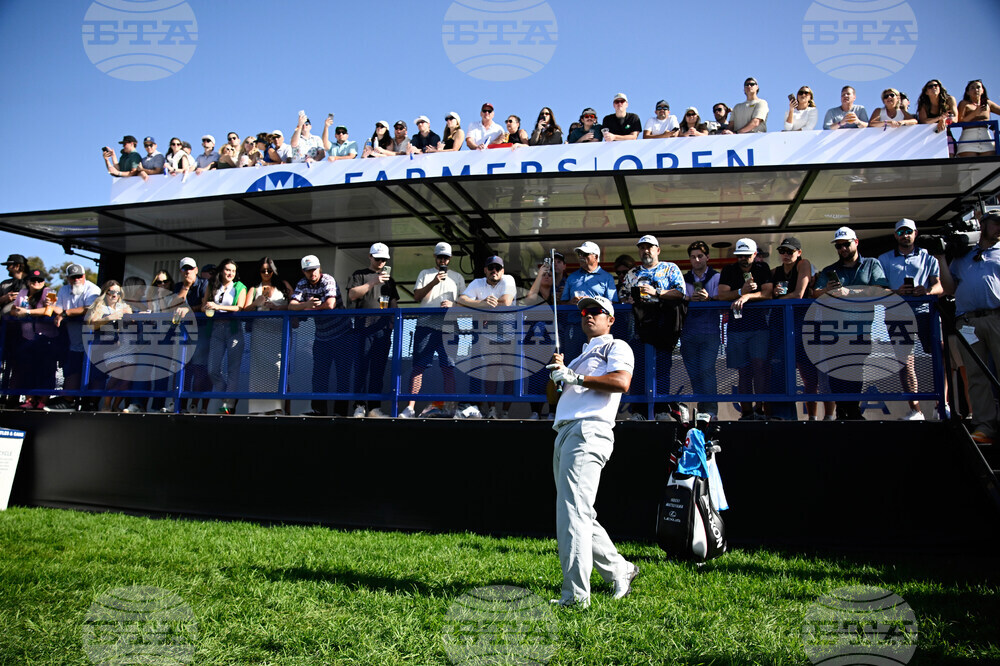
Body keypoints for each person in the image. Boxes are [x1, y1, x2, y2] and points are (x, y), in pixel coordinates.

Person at [546, 295, 638, 608]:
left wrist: (578, 377)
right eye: (585, 311)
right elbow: (554, 398)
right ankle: (620, 569)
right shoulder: (576, 358)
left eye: (596, 311)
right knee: (579, 512)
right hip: (565, 431)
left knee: (572, 513)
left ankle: (575, 597)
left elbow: (622, 381)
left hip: (589, 431)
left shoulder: (617, 347)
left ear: (610, 319)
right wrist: (557, 372)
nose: (589, 315)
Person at [813, 227, 891, 420]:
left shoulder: (872, 264)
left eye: (845, 244)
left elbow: (880, 290)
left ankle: (852, 409)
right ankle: (844, 410)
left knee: (855, 369)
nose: (842, 249)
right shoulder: (830, 270)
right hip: (833, 328)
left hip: (860, 328)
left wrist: (851, 293)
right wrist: (827, 291)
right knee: (836, 371)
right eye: (838, 246)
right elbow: (814, 294)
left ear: (856, 242)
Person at [937, 210, 1000, 443]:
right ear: (983, 225)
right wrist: (941, 258)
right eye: (996, 224)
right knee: (975, 374)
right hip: (968, 321)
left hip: (996, 317)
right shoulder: (963, 256)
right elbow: (949, 288)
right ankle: (985, 426)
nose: (999, 229)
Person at [877, 219, 943, 421]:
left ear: (915, 233)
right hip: (897, 314)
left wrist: (926, 291)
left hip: (925, 312)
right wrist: (897, 291)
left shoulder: (928, 257)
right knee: (905, 362)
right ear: (895, 235)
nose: (905, 235)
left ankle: (943, 405)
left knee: (939, 357)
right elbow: (878, 290)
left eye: (908, 231)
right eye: (901, 232)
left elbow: (940, 287)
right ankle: (916, 410)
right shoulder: (884, 259)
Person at [621, 235, 685, 420]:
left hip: (663, 329)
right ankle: (639, 412)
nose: (645, 251)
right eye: (642, 248)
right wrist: (629, 300)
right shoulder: (632, 273)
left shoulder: (670, 268)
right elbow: (622, 296)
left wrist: (657, 292)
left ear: (658, 250)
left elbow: (680, 292)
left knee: (662, 370)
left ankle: (661, 409)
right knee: (638, 370)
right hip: (638, 331)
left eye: (649, 247)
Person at [401, 242, 466, 419]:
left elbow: (465, 301)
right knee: (419, 367)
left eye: (446, 257)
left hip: (450, 327)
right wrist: (434, 281)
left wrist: (453, 305)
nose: (443, 260)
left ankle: (450, 409)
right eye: (440, 257)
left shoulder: (458, 277)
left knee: (448, 368)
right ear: (435, 257)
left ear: (450, 258)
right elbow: (417, 296)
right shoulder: (425, 273)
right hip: (426, 325)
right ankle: (410, 407)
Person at [717, 238, 773, 420]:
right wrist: (741, 292)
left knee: (760, 367)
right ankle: (747, 412)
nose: (743, 259)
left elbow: (767, 293)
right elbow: (722, 295)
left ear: (755, 255)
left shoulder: (762, 268)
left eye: (747, 255)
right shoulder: (729, 270)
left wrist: (747, 296)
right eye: (740, 255)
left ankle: (761, 408)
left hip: (759, 327)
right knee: (743, 370)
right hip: (736, 327)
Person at [458, 255, 517, 418]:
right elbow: (460, 300)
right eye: (491, 268)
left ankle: (505, 412)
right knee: (491, 371)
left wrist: (481, 307)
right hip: (488, 335)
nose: (494, 271)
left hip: (510, 333)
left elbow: (506, 301)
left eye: (498, 268)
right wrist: (482, 304)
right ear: (485, 270)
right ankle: (492, 410)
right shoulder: (477, 283)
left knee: (509, 373)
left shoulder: (508, 279)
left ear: (503, 271)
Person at [347, 243, 400, 417]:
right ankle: (359, 405)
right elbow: (352, 294)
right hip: (363, 327)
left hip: (382, 329)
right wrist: (373, 282)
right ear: (370, 256)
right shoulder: (359, 274)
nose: (381, 262)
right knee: (361, 368)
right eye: (378, 258)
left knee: (378, 369)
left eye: (384, 259)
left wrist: (393, 322)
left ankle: (374, 407)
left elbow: (393, 302)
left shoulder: (390, 280)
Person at [289, 255, 343, 418]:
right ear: (303, 272)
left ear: (319, 268)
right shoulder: (302, 283)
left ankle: (340, 412)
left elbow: (330, 304)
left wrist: (306, 310)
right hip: (321, 336)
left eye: (313, 269)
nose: (311, 273)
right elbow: (292, 306)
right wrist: (306, 305)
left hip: (342, 334)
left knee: (342, 375)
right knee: (319, 375)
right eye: (308, 271)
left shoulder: (327, 279)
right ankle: (319, 410)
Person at [769, 237, 817, 421]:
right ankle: (782, 415)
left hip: (802, 323)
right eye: (782, 251)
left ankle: (813, 417)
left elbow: (798, 294)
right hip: (779, 324)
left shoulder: (803, 264)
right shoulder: (775, 272)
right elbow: (768, 291)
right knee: (778, 366)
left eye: (790, 251)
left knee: (809, 374)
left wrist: (776, 300)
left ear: (799, 252)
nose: (786, 255)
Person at [46, 264, 101, 412]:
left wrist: (65, 313)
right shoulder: (64, 289)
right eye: (73, 277)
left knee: (95, 373)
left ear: (84, 276)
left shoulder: (93, 289)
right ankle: (69, 401)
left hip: (94, 342)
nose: (77, 279)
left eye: (79, 276)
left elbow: (90, 308)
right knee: (72, 370)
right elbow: (58, 308)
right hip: (75, 342)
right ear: (68, 279)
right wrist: (53, 308)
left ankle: (92, 404)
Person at [243, 257, 293, 416]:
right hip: (260, 332)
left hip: (279, 332)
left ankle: (277, 407)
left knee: (278, 369)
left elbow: (294, 306)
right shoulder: (254, 288)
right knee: (258, 370)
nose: (266, 273)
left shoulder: (284, 285)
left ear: (274, 271)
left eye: (269, 270)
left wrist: (277, 307)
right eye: (263, 270)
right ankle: (258, 409)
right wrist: (256, 303)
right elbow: (244, 310)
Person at [681, 241, 721, 421]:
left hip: (710, 332)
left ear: (707, 258)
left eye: (700, 256)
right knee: (694, 373)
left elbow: (721, 302)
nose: (696, 259)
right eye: (692, 256)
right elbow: (678, 302)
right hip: (688, 333)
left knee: (707, 370)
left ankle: (711, 411)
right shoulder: (683, 279)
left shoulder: (716, 277)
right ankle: (701, 411)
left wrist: (709, 299)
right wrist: (689, 299)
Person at [9, 269, 59, 409]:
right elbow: (13, 309)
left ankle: (43, 401)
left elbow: (49, 311)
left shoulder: (51, 292)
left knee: (47, 370)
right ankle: (29, 400)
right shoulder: (23, 293)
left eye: (40, 281)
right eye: (33, 280)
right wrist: (18, 312)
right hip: (27, 338)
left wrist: (27, 312)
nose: (36, 283)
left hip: (46, 338)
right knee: (27, 369)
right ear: (28, 281)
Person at [203, 259, 247, 414]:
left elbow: (239, 307)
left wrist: (218, 307)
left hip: (234, 328)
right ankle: (229, 397)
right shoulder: (212, 285)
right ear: (222, 271)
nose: (230, 273)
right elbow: (204, 305)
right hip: (216, 328)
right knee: (212, 369)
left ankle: (228, 405)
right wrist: (208, 307)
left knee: (233, 369)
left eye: (233, 271)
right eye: (228, 270)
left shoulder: (240, 287)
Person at [84, 280, 133, 413]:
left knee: (127, 378)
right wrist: (111, 317)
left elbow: (132, 321)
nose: (114, 295)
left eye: (118, 292)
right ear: (105, 292)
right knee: (116, 375)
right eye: (111, 291)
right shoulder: (99, 306)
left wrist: (135, 316)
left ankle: (116, 405)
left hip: (125, 345)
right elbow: (91, 324)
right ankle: (106, 405)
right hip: (107, 346)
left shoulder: (123, 306)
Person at [523, 255, 560, 420]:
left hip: (551, 341)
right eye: (544, 275)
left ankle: (552, 410)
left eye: (549, 275)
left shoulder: (557, 297)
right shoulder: (534, 297)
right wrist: (540, 272)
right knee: (535, 376)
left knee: (552, 376)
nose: (546, 276)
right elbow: (529, 297)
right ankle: (535, 411)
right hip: (533, 342)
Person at [171, 257, 210, 413]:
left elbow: (204, 306)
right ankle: (179, 403)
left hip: (201, 331)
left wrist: (188, 309)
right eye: (184, 269)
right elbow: (174, 305)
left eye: (190, 268)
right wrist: (186, 287)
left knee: (199, 368)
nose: (188, 271)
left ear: (196, 269)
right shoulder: (179, 286)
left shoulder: (204, 283)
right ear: (181, 271)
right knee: (181, 369)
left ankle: (194, 404)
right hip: (182, 332)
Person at [0, 254, 29, 407]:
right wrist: (4, 298)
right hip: (3, 329)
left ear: (18, 266)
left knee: (18, 365)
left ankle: (12, 397)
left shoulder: (32, 282)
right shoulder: (4, 284)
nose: (7, 268)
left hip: (22, 332)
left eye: (10, 265)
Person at [956, 80, 1000, 157]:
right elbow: (960, 121)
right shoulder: (964, 103)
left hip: (986, 137)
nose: (976, 90)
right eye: (972, 88)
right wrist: (975, 113)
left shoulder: (988, 103)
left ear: (982, 90)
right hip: (968, 138)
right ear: (968, 92)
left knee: (987, 165)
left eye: (978, 87)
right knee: (969, 165)